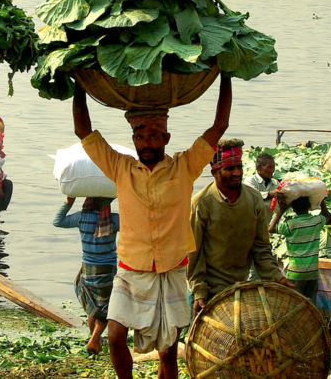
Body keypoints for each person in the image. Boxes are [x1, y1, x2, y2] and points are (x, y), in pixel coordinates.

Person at [72, 76, 231, 379]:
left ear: (166, 138)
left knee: (168, 351)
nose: (147, 142)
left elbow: (219, 126)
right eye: (140, 136)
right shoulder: (120, 167)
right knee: (116, 336)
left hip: (171, 269)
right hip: (131, 269)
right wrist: (80, 82)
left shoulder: (185, 166)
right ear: (133, 138)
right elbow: (84, 131)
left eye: (154, 135)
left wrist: (225, 76)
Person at [189, 139, 289, 317]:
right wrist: (199, 292)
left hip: (242, 284)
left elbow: (261, 247)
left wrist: (276, 276)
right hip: (210, 288)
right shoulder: (201, 203)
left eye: (239, 167)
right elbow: (194, 254)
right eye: (229, 169)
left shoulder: (254, 198)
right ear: (215, 172)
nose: (237, 173)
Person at [53, 196, 120, 356]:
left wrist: (68, 203)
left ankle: (94, 339)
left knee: (92, 304)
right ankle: (94, 340)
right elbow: (134, 227)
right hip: (106, 268)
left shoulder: (81, 217)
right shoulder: (114, 219)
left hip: (87, 268)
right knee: (107, 308)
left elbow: (58, 221)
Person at [270, 196, 331, 303]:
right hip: (312, 272)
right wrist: (321, 201)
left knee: (295, 305)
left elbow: (271, 228)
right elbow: (327, 216)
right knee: (310, 306)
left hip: (295, 273)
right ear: (309, 206)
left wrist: (281, 210)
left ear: (293, 209)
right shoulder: (316, 221)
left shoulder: (291, 225)